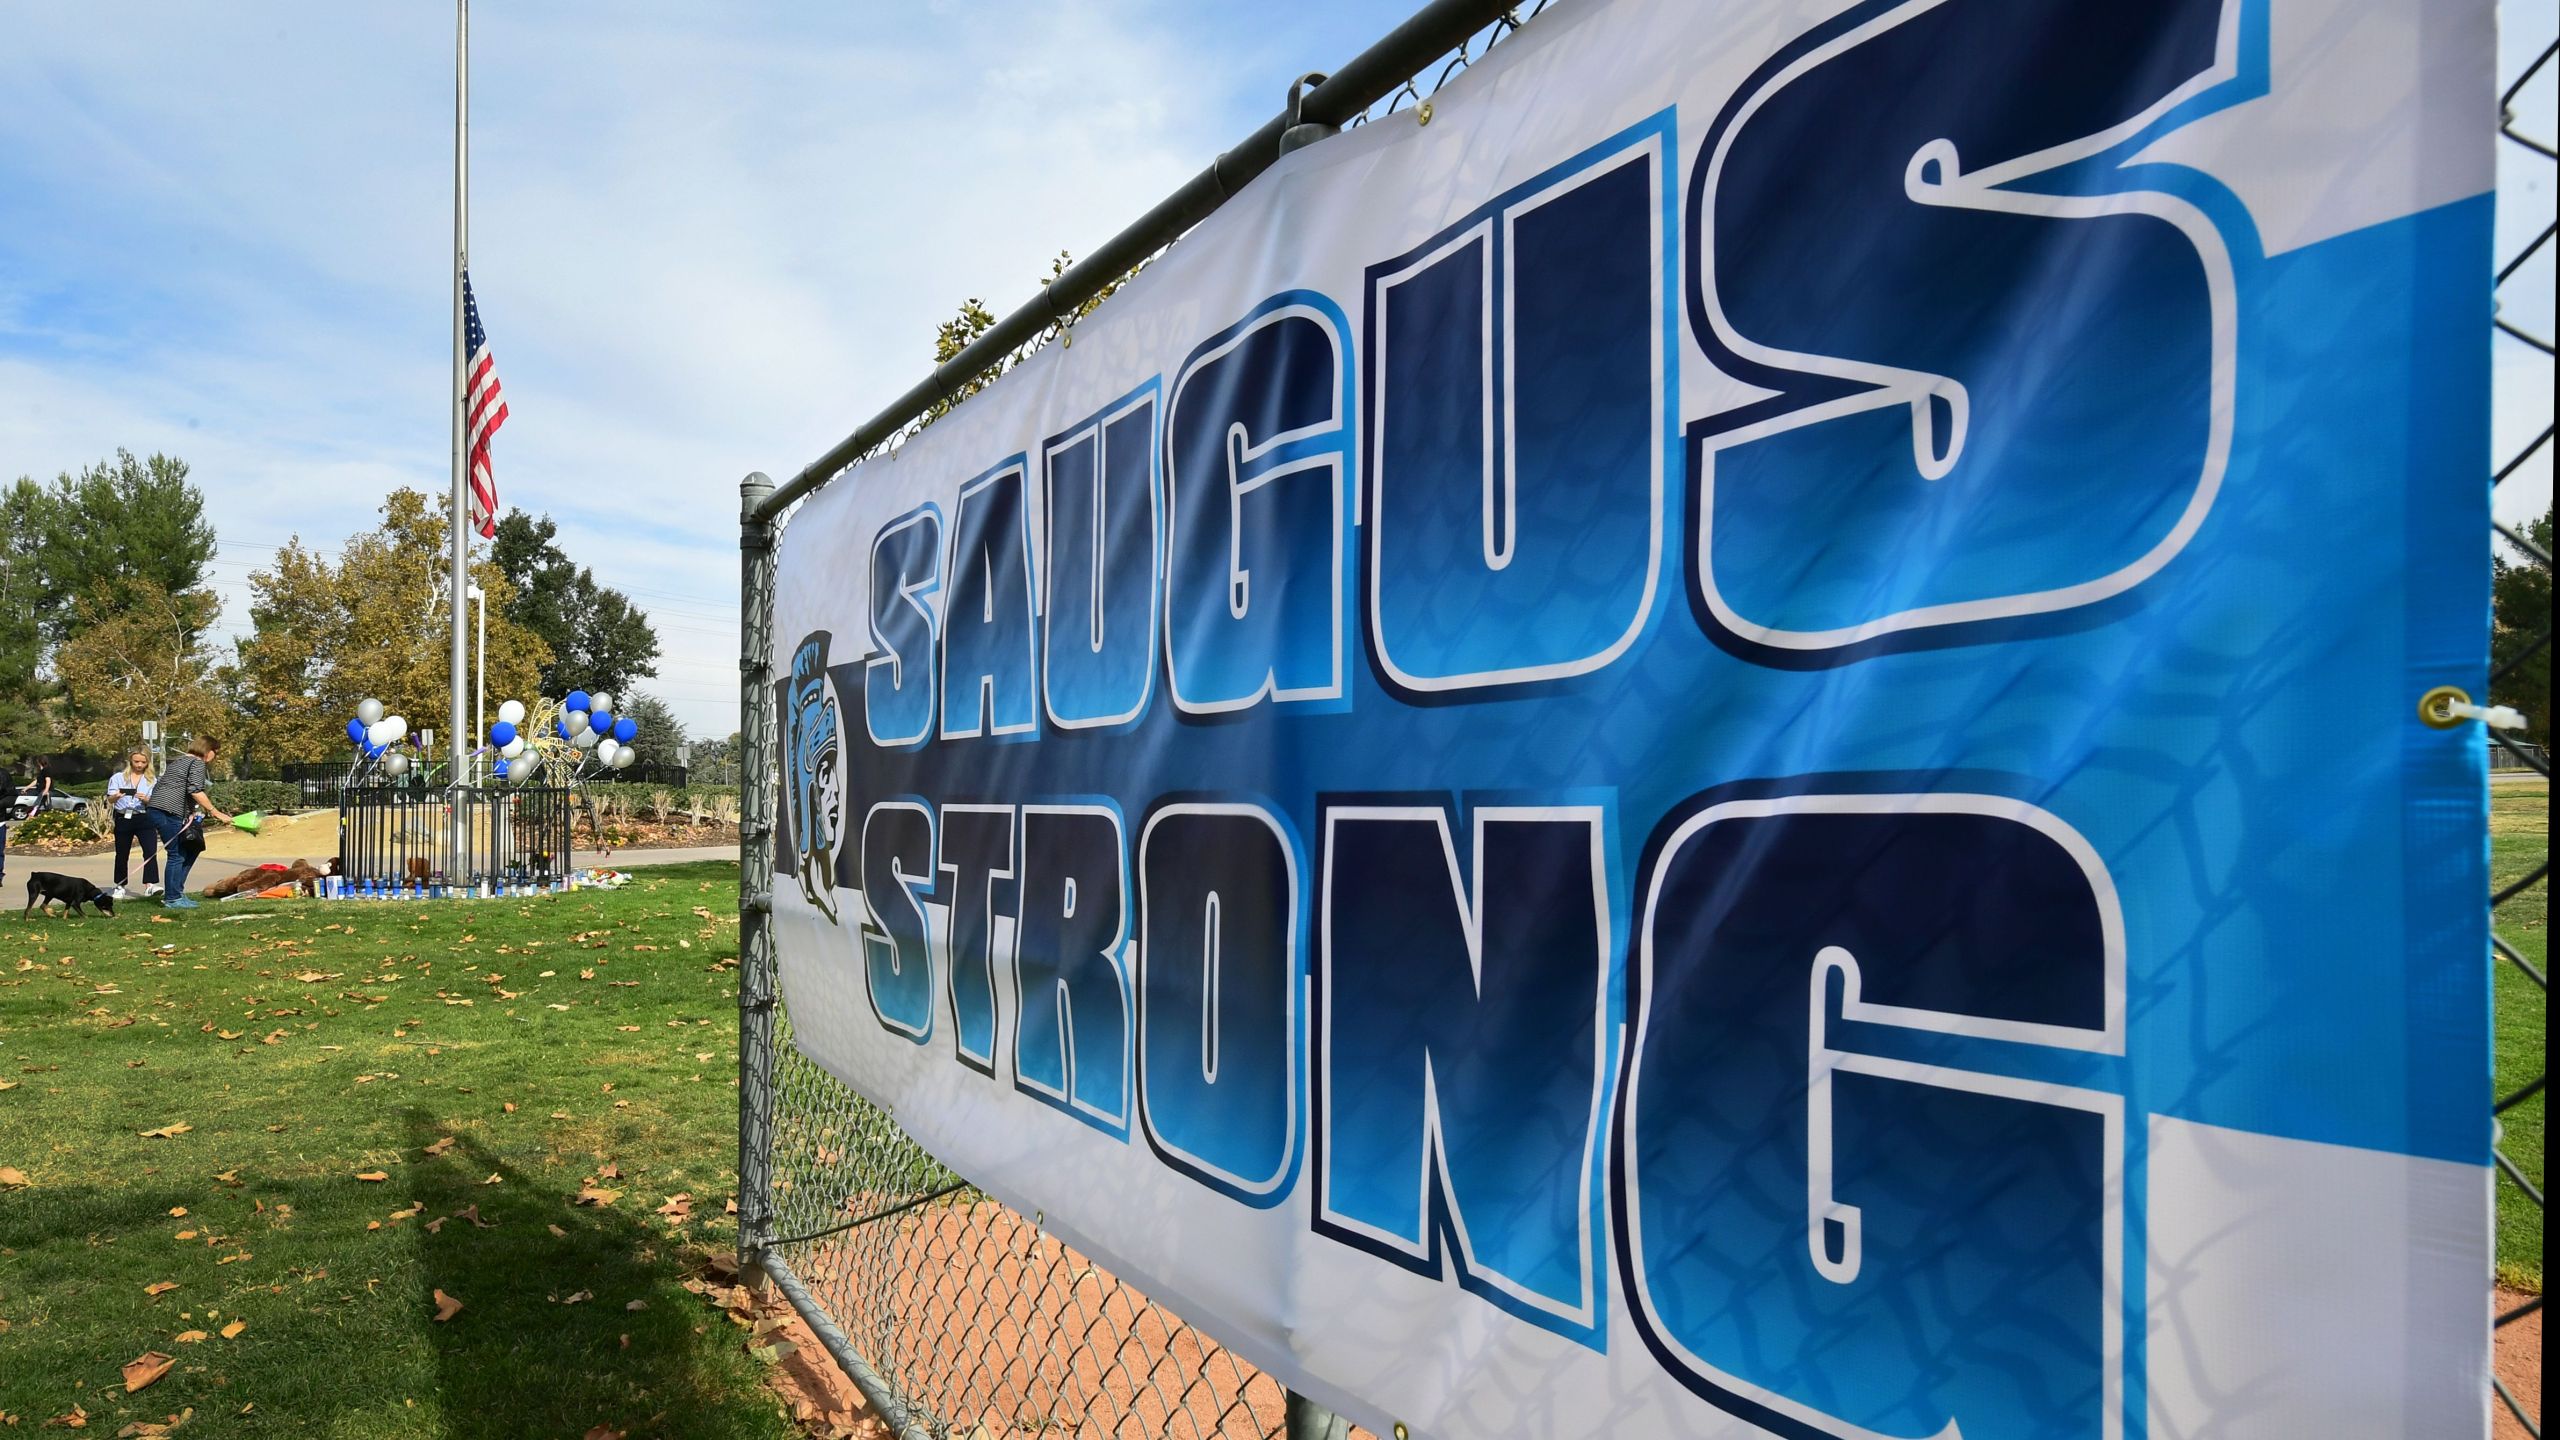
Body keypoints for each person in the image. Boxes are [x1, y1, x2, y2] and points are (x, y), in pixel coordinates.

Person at [145, 735, 233, 909]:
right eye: (215, 752)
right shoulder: (197, 763)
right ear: (208, 750)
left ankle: (177, 892)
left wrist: (190, 811)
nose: (215, 756)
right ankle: (172, 898)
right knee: (176, 854)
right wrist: (216, 812)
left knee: (191, 849)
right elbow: (195, 790)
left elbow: (173, 787)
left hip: (162, 810)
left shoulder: (179, 761)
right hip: (167, 812)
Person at [105, 749, 162, 898]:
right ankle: (120, 885)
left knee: (150, 851)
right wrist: (116, 796)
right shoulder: (118, 778)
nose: (139, 765)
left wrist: (147, 799)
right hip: (123, 817)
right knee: (122, 853)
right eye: (136, 761)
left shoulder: (152, 780)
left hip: (144, 817)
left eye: (143, 762)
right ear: (130, 761)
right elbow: (109, 799)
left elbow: (156, 801)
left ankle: (150, 884)